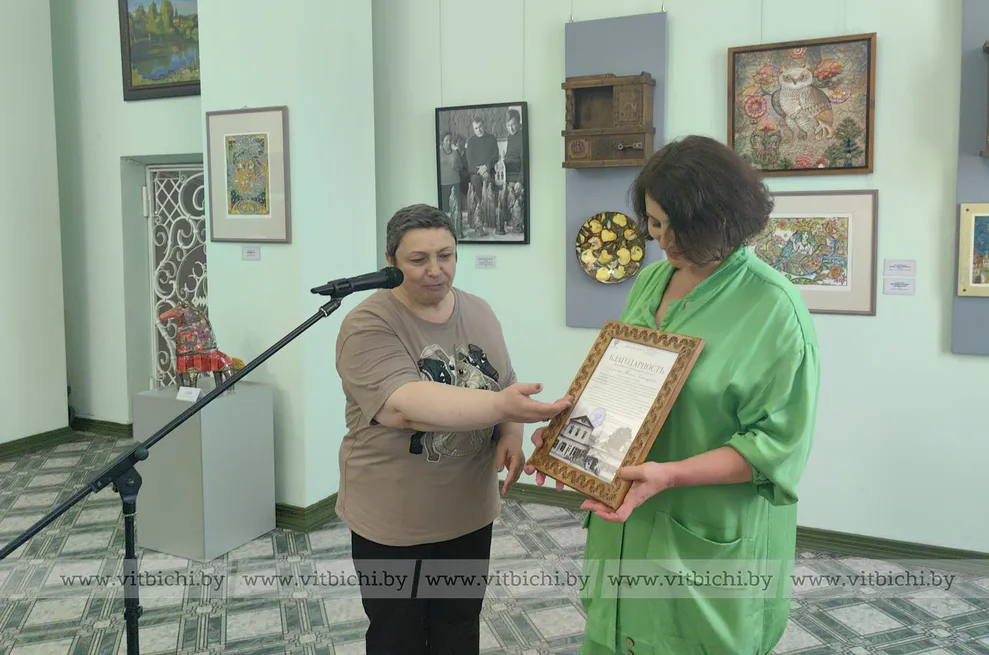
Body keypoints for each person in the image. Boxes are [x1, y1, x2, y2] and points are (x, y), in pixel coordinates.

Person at [525, 135, 821, 655]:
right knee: (614, 637)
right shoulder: (652, 281)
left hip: (704, 528)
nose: (666, 242)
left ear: (729, 220)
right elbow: (625, 384)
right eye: (656, 224)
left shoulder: (774, 308)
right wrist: (571, 436)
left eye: (684, 228)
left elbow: (776, 448)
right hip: (624, 518)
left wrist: (670, 474)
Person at [334, 203, 570, 655]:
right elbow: (403, 406)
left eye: (445, 256)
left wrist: (510, 434)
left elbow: (504, 381)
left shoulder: (479, 310)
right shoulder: (367, 323)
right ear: (390, 261)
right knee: (397, 637)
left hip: (467, 514)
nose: (435, 270)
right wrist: (502, 406)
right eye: (418, 259)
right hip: (393, 521)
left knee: (458, 629)